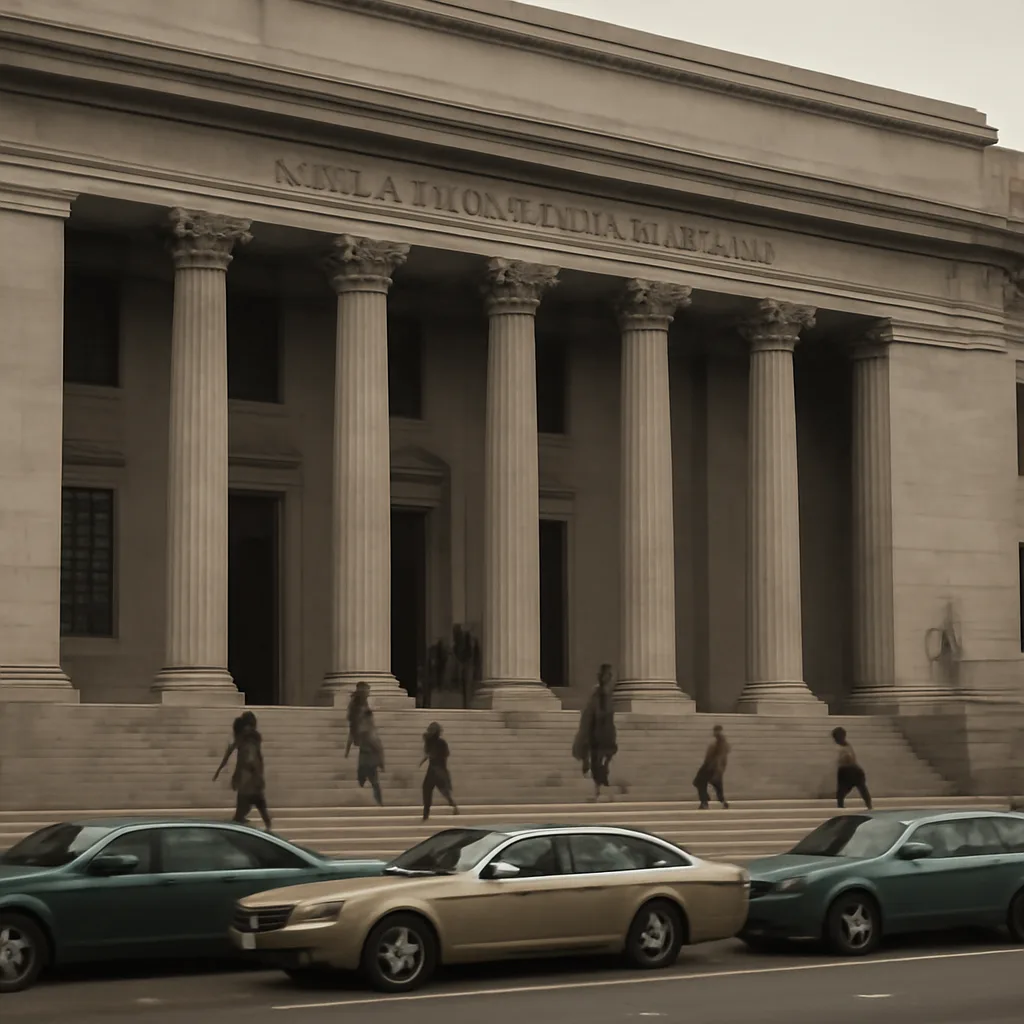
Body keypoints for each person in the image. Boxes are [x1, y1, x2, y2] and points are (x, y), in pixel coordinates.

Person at [213, 711, 272, 831]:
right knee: (258, 804)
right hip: (250, 780)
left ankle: (240, 823)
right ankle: (266, 828)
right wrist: (258, 775)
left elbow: (230, 751)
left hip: (244, 779)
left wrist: (219, 770)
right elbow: (251, 758)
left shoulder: (242, 737)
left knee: (246, 807)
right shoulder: (252, 737)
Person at [572, 664, 618, 802]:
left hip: (606, 734)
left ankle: (600, 787)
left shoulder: (607, 695)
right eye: (607, 675)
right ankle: (597, 788)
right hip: (597, 734)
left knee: (604, 761)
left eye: (610, 675)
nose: (609, 678)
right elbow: (591, 716)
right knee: (598, 762)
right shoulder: (597, 694)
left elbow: (609, 716)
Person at [420, 721, 458, 821]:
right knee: (438, 790)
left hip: (436, 770)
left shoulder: (437, 742)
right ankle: (453, 806)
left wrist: (428, 757)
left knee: (429, 790)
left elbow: (433, 754)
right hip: (437, 770)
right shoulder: (435, 742)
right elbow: (432, 754)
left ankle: (426, 814)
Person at [832, 726, 872, 810]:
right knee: (842, 792)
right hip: (846, 770)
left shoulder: (845, 746)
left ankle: (869, 805)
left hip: (852, 770)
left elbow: (850, 758)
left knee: (861, 788)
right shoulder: (843, 746)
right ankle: (841, 806)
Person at [694, 724, 730, 809]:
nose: (713, 732)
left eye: (715, 731)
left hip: (710, 766)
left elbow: (718, 757)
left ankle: (704, 802)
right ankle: (722, 801)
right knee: (716, 785)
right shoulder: (722, 743)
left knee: (699, 782)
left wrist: (717, 768)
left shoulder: (719, 743)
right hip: (714, 767)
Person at [356, 710, 385, 807]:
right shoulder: (367, 729)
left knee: (373, 781)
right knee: (371, 781)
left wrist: (381, 762)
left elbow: (377, 746)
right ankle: (378, 801)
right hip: (366, 759)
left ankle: (379, 801)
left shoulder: (368, 729)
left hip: (368, 760)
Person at [345, 681, 371, 759]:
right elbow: (352, 709)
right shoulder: (357, 698)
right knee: (354, 736)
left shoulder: (362, 699)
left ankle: (348, 752)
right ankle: (348, 752)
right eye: (367, 689)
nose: (368, 692)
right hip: (357, 720)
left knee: (354, 736)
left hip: (359, 720)